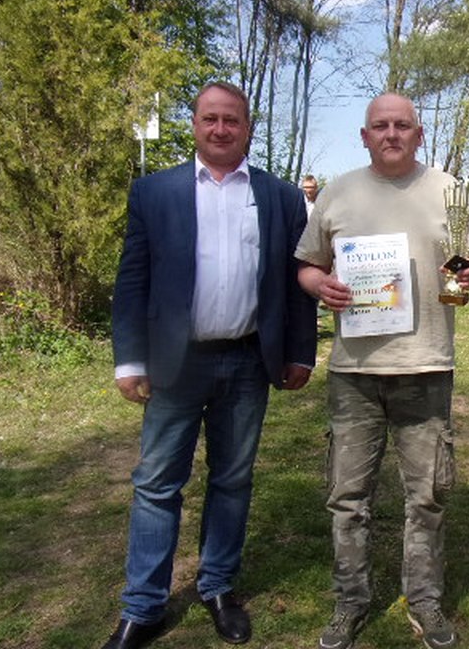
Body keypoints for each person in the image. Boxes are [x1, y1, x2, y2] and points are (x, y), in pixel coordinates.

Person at [104, 81, 318, 649]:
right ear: (194, 124)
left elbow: (295, 284)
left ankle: (218, 586)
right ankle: (143, 606)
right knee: (156, 484)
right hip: (175, 364)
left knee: (232, 479)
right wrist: (130, 359)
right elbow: (133, 280)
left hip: (248, 361)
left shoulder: (280, 197)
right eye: (210, 118)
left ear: (247, 127)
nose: (221, 129)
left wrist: (300, 352)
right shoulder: (154, 192)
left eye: (232, 120)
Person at [295, 93, 469, 649]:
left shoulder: (450, 190)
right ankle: (350, 601)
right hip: (354, 372)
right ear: (364, 136)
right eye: (380, 126)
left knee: (427, 496)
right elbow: (307, 266)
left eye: (402, 125)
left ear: (418, 133)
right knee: (347, 497)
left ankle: (424, 600)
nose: (391, 134)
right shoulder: (337, 192)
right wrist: (321, 286)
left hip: (426, 366)